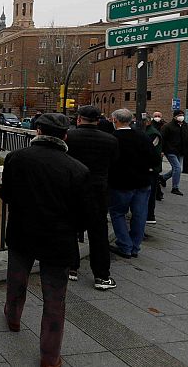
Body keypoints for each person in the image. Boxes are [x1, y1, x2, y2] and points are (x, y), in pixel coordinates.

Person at [0, 113, 90, 367]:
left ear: (37, 131)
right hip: (58, 240)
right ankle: (50, 357)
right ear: (64, 136)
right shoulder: (78, 169)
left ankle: (13, 317)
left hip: (22, 232)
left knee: (16, 279)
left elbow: (6, 195)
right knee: (54, 298)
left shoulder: (16, 159)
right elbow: (84, 214)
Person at [65, 106, 119, 290]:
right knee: (99, 234)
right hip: (98, 191)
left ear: (79, 119)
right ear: (98, 120)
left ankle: (71, 267)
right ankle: (102, 276)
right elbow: (113, 165)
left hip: (73, 190)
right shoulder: (111, 140)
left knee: (70, 228)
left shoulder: (69, 137)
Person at [107, 109, 160, 259]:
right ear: (130, 121)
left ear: (115, 120)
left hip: (120, 183)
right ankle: (135, 246)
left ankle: (125, 244)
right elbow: (155, 159)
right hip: (142, 181)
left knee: (117, 213)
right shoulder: (142, 136)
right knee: (140, 214)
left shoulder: (113, 138)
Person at [160, 109, 188, 196]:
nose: (181, 116)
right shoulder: (168, 126)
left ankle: (163, 178)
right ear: (174, 116)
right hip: (170, 150)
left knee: (177, 169)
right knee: (177, 168)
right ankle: (175, 187)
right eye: (179, 115)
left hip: (181, 151)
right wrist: (162, 150)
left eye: (182, 115)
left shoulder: (186, 126)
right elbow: (162, 139)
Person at [143, 115, 163, 224]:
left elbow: (149, 150)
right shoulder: (150, 132)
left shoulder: (152, 133)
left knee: (150, 193)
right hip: (151, 167)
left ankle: (150, 215)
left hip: (151, 168)